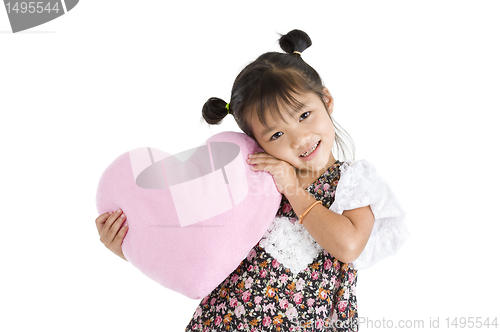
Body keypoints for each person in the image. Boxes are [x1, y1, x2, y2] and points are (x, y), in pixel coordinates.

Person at [95, 29, 408, 331]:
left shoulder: (354, 182)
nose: (299, 139)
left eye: (303, 115)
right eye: (276, 134)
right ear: (257, 141)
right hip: (223, 320)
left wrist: (293, 189)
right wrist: (130, 248)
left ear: (326, 100)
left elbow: (349, 246)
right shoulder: (253, 177)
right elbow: (198, 250)